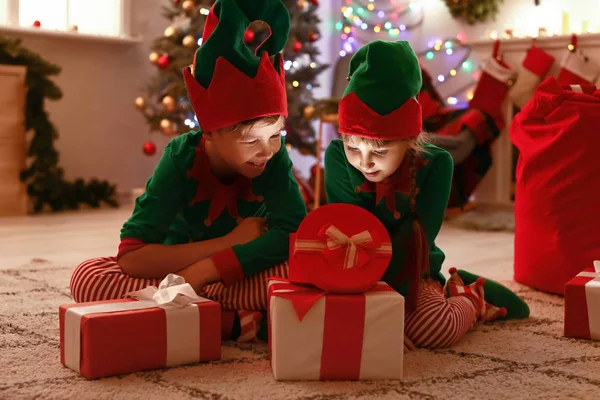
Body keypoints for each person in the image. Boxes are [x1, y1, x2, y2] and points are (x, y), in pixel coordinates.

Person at [69, 0, 307, 343]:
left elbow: (291, 233)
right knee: (90, 277)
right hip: (177, 269)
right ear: (210, 132)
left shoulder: (272, 156)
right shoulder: (180, 158)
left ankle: (197, 315)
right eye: (251, 139)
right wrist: (226, 244)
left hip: (241, 270)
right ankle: (236, 322)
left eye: (275, 135)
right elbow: (133, 259)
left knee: (297, 271)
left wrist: (207, 270)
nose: (267, 150)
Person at [324, 40, 529, 350]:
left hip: (411, 268)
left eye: (380, 150)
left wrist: (387, 310)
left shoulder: (435, 165)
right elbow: (348, 231)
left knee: (432, 331)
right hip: (351, 265)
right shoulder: (338, 156)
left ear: (409, 139)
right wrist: (367, 308)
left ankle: (472, 295)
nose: (364, 162)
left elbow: (418, 239)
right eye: (354, 147)